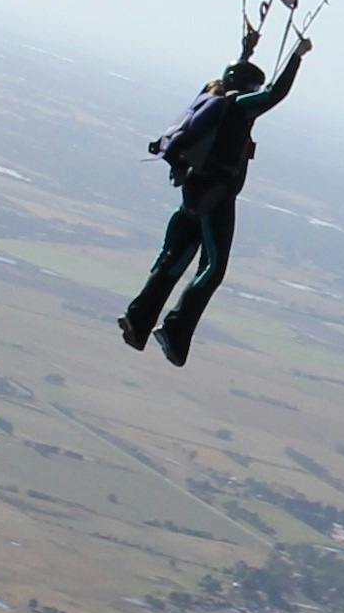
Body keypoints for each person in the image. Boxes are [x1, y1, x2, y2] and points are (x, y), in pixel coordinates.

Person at [119, 36, 311, 366]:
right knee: (212, 268)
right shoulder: (238, 108)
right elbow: (274, 94)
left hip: (193, 190)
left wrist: (246, 52)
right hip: (215, 197)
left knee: (175, 258)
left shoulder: (214, 97)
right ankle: (175, 331)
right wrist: (296, 55)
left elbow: (233, 81)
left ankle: (138, 320)